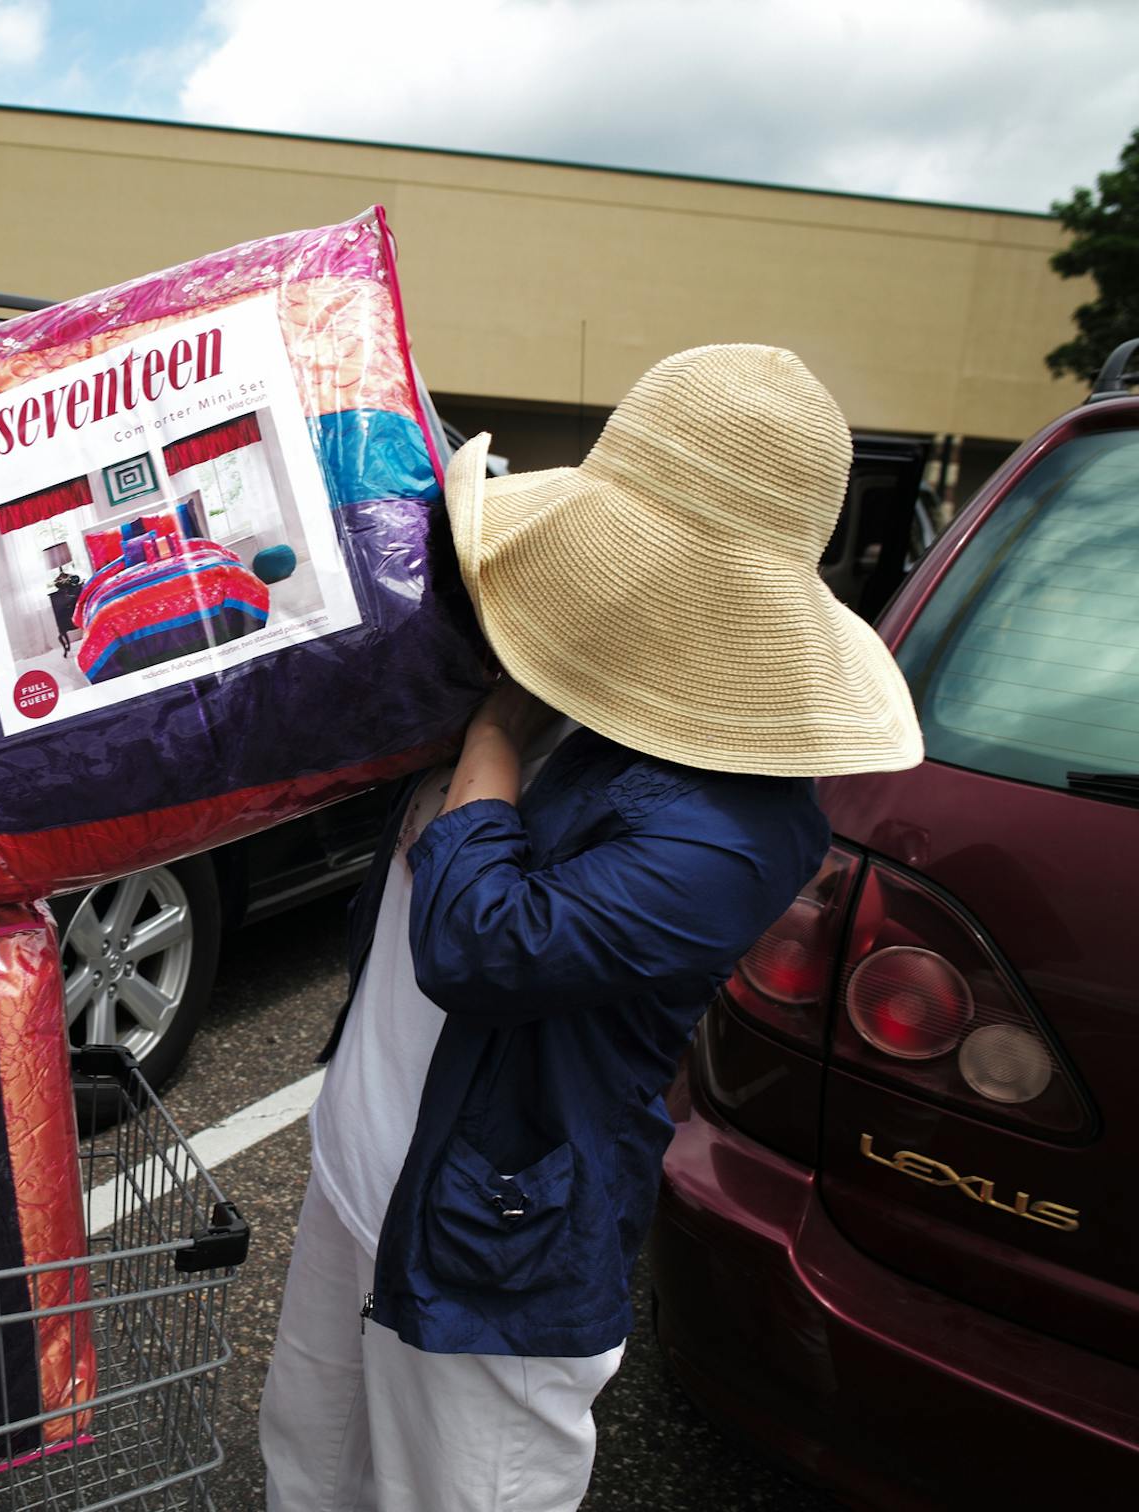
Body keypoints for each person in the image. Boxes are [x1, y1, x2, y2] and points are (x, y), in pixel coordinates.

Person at [259, 345, 924, 1512]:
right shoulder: (557, 658)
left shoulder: (738, 822)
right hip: (359, 1184)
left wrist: (492, 742)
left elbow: (484, 944)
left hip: (491, 1254)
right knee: (309, 1472)